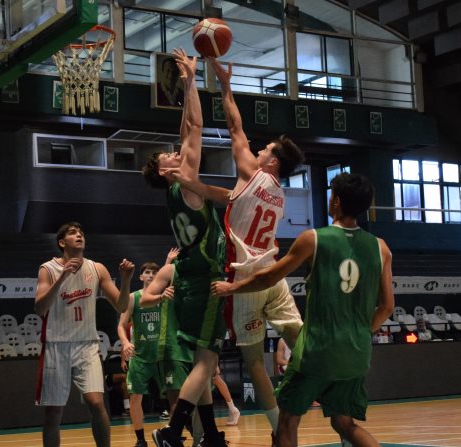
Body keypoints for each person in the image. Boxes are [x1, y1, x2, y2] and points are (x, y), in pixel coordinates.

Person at [166, 57, 305, 444]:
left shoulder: (252, 173)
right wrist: (196, 185)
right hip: (273, 274)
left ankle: (278, 430)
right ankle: (322, 386)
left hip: (244, 281)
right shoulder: (280, 195)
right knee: (301, 340)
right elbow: (228, 197)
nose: (257, 150)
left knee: (255, 364)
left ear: (271, 161)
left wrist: (225, 84)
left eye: (265, 149)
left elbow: (234, 127)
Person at [212, 172, 395, 447]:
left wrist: (233, 288)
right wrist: (360, 332)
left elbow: (269, 277)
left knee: (287, 421)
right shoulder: (381, 248)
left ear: (336, 202)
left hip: (318, 350)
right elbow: (387, 307)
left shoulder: (313, 239)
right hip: (357, 351)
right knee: (344, 423)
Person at [141, 48, 228, 447]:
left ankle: (210, 435)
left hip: (191, 281)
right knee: (207, 362)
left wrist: (185, 90)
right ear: (166, 171)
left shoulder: (175, 193)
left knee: (200, 363)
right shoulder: (185, 181)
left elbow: (184, 132)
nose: (176, 153)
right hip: (206, 281)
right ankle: (173, 432)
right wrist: (191, 81)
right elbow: (195, 126)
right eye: (169, 156)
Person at [34, 221, 135, 447]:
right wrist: (62, 277)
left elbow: (121, 305)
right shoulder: (47, 269)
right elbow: (40, 308)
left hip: (87, 344)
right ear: (62, 243)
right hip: (56, 344)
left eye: (81, 232)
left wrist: (126, 280)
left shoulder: (97, 268)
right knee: (53, 412)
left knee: (97, 403)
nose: (79, 235)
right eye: (73, 233)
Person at [118, 249, 178, 447]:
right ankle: (140, 439)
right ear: (141, 276)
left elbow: (169, 278)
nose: (151, 275)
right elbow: (121, 325)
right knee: (136, 397)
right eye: (147, 272)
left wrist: (168, 261)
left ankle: (173, 434)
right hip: (140, 355)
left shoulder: (165, 295)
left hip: (163, 354)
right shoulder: (134, 298)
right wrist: (125, 342)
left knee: (174, 396)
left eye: (155, 272)